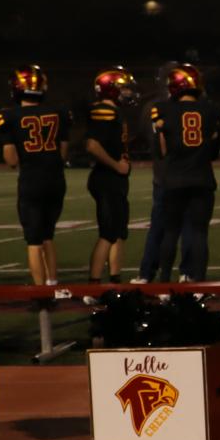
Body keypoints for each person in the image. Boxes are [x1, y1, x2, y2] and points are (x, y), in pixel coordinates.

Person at [0, 65, 70, 293]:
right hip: (56, 180)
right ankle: (54, 284)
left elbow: (10, 159)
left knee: (34, 240)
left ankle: (41, 291)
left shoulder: (8, 115)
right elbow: (63, 152)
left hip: (31, 181)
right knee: (48, 235)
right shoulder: (59, 112)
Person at [153, 61, 220, 283]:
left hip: (174, 179)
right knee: (199, 233)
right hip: (201, 178)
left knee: (171, 232)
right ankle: (199, 281)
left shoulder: (164, 109)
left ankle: (164, 281)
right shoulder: (211, 109)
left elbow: (162, 150)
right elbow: (214, 149)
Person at [133, 63, 197, 286]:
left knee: (163, 228)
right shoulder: (186, 108)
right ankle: (181, 272)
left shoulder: (157, 108)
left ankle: (150, 273)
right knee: (180, 227)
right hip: (181, 176)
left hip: (165, 177)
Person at [83, 68, 136, 292]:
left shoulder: (115, 111)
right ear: (111, 89)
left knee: (119, 232)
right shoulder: (102, 110)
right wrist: (116, 165)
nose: (128, 92)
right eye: (123, 87)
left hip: (116, 178)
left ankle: (115, 280)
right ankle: (93, 286)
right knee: (107, 233)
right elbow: (92, 145)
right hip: (106, 178)